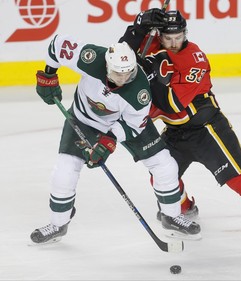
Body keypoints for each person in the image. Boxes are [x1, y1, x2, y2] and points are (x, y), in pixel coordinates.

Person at [118, 9, 241, 250]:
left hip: (207, 130)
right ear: (161, 35)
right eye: (168, 38)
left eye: (179, 36)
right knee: (162, 176)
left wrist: (146, 83)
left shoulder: (194, 59)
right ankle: (185, 210)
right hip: (176, 132)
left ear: (186, 33)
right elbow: (120, 57)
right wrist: (138, 27)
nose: (174, 42)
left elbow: (172, 103)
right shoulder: (154, 44)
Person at [31, 34, 200, 244]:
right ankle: (58, 224)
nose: (123, 79)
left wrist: (109, 141)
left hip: (125, 123)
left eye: (128, 73)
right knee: (64, 171)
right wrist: (49, 74)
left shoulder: (139, 92)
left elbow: (134, 125)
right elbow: (56, 45)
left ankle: (171, 215)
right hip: (85, 119)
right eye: (118, 74)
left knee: (164, 164)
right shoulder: (91, 58)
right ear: (107, 66)